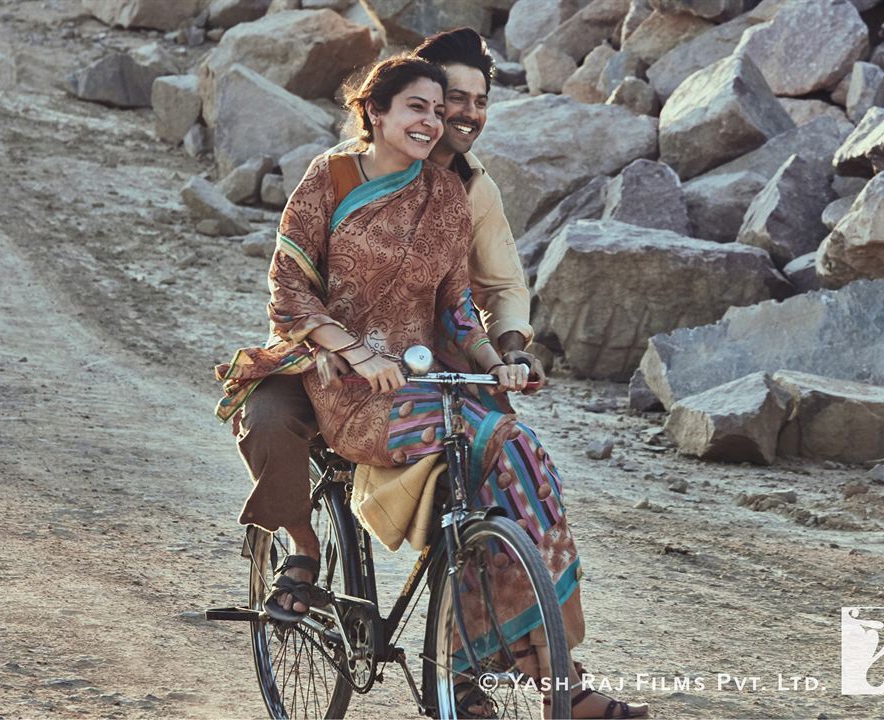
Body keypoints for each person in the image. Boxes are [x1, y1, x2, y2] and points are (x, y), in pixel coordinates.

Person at [215, 48, 647, 720]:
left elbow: (455, 309)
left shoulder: (448, 194)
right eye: (417, 107)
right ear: (374, 111)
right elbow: (288, 288)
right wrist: (354, 352)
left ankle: (517, 667)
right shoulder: (327, 177)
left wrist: (497, 357)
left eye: (438, 111)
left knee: (517, 459)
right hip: (342, 381)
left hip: (415, 381)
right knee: (484, 445)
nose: (433, 121)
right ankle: (497, 674)